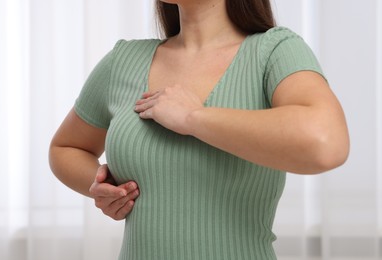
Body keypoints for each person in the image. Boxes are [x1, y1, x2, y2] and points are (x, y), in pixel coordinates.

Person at [49, 0, 350, 259]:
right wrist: (104, 188)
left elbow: (326, 142)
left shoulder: (272, 52)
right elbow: (65, 148)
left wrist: (194, 117)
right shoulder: (123, 61)